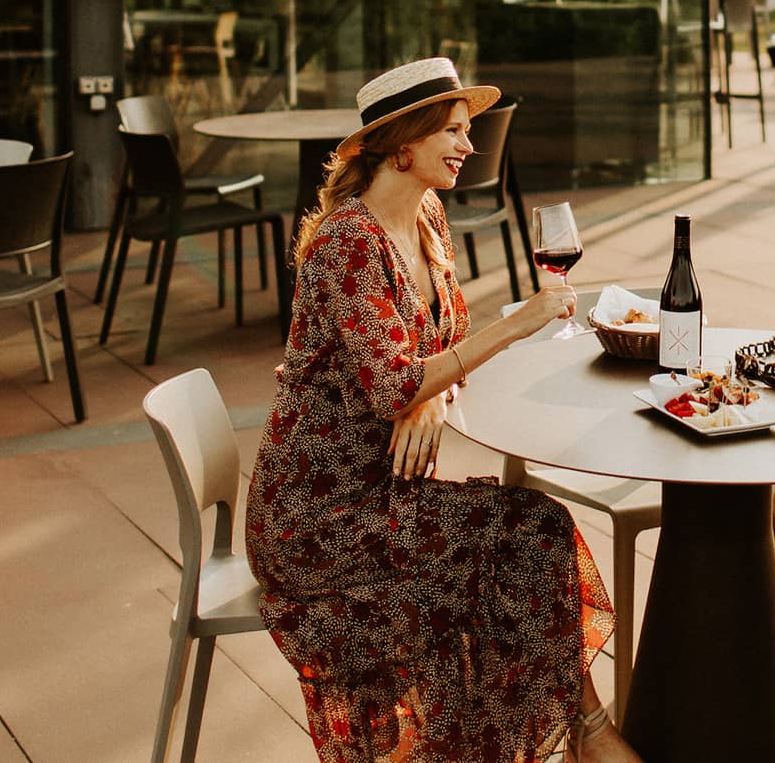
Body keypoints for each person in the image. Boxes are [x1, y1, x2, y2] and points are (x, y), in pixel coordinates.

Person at [245, 57, 643, 763]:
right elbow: (395, 383)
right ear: (404, 141)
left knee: (524, 536)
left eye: (467, 131)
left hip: (384, 491)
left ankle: (558, 737)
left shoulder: (426, 218)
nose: (469, 146)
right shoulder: (347, 242)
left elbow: (439, 347)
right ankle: (586, 734)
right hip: (317, 513)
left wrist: (434, 395)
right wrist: (517, 324)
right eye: (453, 132)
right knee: (528, 536)